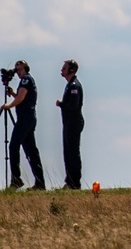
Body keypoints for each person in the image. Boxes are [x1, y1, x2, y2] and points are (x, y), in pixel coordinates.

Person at [2, 59, 46, 190]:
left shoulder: (26, 80)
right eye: (17, 70)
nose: (18, 72)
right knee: (31, 151)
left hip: (25, 118)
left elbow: (21, 98)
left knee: (14, 146)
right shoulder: (27, 81)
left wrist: (8, 105)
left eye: (20, 69)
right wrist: (14, 94)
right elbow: (23, 98)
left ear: (26, 69)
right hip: (28, 117)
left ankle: (16, 179)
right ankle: (40, 182)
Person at [55, 59, 84, 190]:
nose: (62, 70)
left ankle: (74, 182)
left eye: (64, 68)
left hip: (73, 123)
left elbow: (73, 105)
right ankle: (69, 181)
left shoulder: (74, 86)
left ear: (71, 70)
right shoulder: (69, 85)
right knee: (68, 152)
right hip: (68, 123)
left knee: (72, 152)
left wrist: (61, 104)